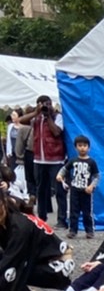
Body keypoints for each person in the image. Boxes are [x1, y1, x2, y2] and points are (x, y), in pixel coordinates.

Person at [0, 187, 74, 291]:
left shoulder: (19, 227)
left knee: (9, 271)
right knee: (8, 269)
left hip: (58, 264)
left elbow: (10, 262)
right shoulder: (9, 216)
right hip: (35, 258)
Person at [19, 95, 67, 229]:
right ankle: (42, 217)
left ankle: (62, 220)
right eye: (42, 104)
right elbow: (21, 121)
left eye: (47, 104)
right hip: (39, 159)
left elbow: (57, 132)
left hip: (56, 160)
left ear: (51, 104)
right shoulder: (36, 117)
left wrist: (48, 117)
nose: (45, 107)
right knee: (40, 189)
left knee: (59, 190)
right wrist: (35, 112)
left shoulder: (58, 117)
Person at [57, 136, 100, 238]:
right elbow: (64, 169)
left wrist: (91, 186)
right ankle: (73, 230)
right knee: (73, 212)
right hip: (74, 191)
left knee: (87, 213)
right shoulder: (73, 161)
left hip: (86, 192)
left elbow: (97, 176)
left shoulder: (91, 162)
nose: (82, 148)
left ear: (89, 148)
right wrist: (60, 175)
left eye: (84, 146)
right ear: (75, 148)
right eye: (80, 146)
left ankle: (89, 231)